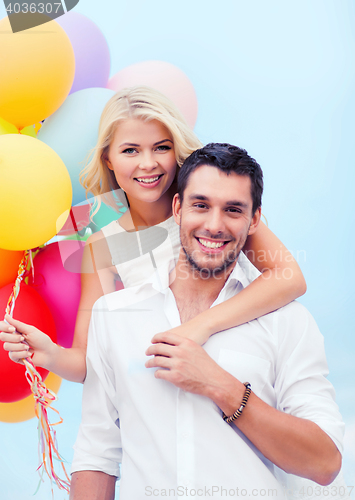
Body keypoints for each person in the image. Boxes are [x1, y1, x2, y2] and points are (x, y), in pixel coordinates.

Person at [69, 143, 344, 500]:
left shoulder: (288, 322)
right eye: (201, 205)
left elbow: (323, 463)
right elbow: (96, 454)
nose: (214, 226)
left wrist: (221, 386)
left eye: (233, 210)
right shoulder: (114, 316)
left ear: (255, 219)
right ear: (178, 208)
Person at [0, 87, 306, 384]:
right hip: (166, 384)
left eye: (162, 147)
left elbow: (290, 278)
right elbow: (88, 362)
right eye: (130, 150)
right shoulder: (99, 236)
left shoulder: (208, 201)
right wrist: (51, 355)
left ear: (177, 149)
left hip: (244, 368)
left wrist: (202, 326)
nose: (148, 163)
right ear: (108, 158)